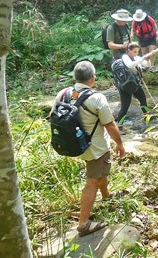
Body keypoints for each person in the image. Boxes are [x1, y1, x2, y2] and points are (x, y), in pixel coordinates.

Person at [51, 61, 125, 237]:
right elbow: (110, 125)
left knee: (101, 173)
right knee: (92, 181)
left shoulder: (63, 94)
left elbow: (53, 117)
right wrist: (120, 143)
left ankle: (106, 197)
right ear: (93, 77)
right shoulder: (97, 98)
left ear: (75, 77)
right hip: (95, 148)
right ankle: (83, 223)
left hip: (72, 144)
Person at [115, 42, 149, 133]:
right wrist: (141, 59)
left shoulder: (137, 57)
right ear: (128, 50)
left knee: (143, 100)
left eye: (138, 51)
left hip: (135, 84)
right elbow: (130, 65)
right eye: (134, 51)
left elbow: (147, 65)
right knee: (125, 107)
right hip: (125, 86)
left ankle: (147, 118)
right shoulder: (125, 57)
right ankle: (119, 126)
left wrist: (147, 59)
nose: (136, 54)